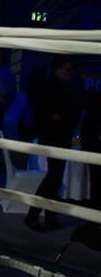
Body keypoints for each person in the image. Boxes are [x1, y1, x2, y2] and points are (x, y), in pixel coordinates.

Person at [24, 57, 82, 231]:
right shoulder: (51, 85)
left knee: (54, 179)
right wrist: (61, 116)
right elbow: (51, 110)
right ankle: (33, 215)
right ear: (59, 68)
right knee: (52, 178)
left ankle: (48, 217)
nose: (70, 73)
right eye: (68, 69)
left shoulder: (62, 85)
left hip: (60, 135)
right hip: (55, 136)